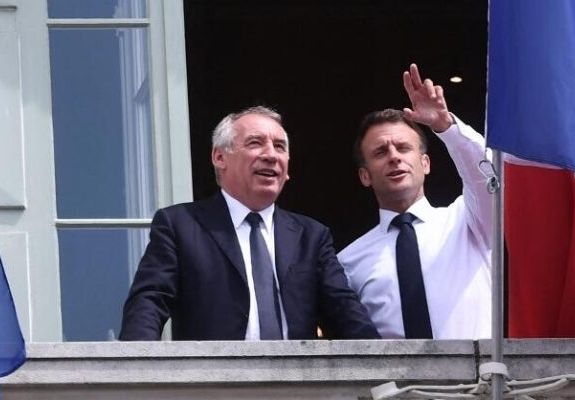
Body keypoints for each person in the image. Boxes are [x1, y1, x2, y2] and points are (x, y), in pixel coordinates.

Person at [120, 106, 379, 341]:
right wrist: (134, 374)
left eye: (280, 147)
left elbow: (345, 311)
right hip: (211, 386)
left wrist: (383, 369)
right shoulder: (180, 225)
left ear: (287, 169)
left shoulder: (311, 236)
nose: (270, 155)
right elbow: (149, 302)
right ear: (219, 157)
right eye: (255, 143)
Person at [339, 64, 491, 339]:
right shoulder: (348, 262)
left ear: (426, 163)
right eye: (380, 152)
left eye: (404, 147)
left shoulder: (467, 220)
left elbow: (489, 178)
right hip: (395, 383)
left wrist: (445, 127)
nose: (394, 157)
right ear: (365, 175)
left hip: (478, 381)